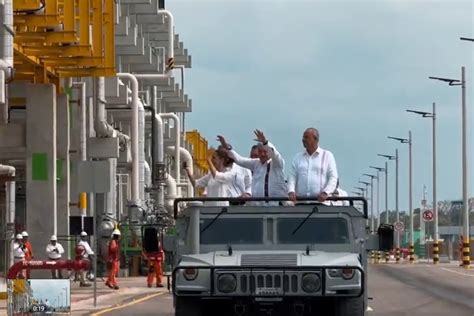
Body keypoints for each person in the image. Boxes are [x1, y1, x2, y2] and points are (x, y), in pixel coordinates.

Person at [218, 130, 287, 206]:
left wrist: (265, 142)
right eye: (260, 152)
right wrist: (227, 147)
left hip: (276, 206)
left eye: (265, 151)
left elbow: (275, 154)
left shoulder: (277, 163)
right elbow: (240, 160)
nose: (262, 154)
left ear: (269, 152)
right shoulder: (256, 163)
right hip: (258, 207)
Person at [287, 128, 338, 204]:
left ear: (315, 139)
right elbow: (292, 176)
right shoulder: (298, 157)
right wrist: (291, 191)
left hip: (321, 204)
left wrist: (326, 192)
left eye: (306, 137)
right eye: (303, 137)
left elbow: (333, 177)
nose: (303, 140)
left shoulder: (327, 156)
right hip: (301, 203)